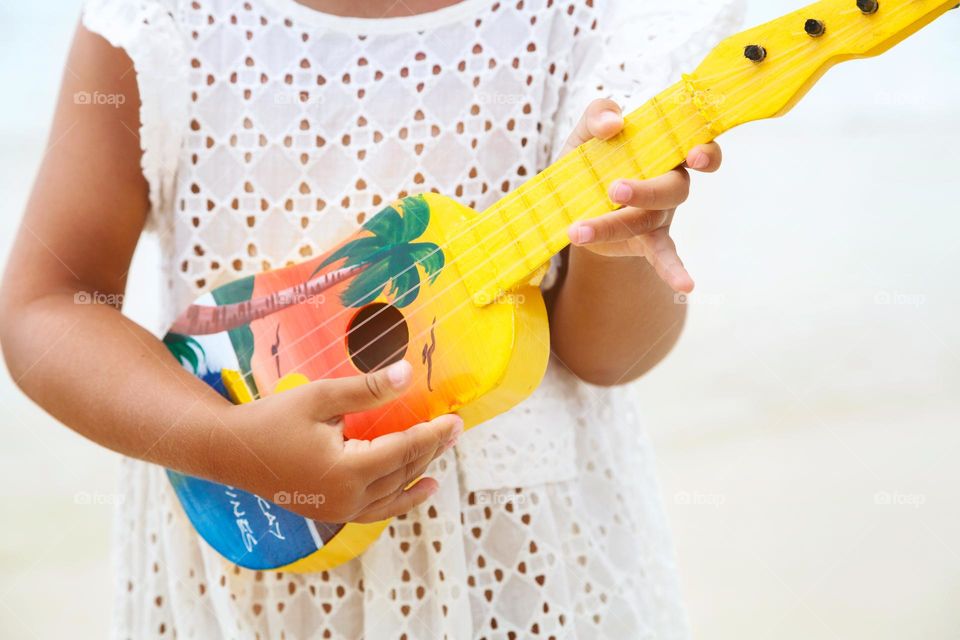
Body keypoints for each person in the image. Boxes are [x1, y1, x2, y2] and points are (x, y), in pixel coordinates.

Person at [0, 0, 743, 637]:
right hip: (249, 571)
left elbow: (607, 357)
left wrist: (615, 242)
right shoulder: (163, 18)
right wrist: (226, 444)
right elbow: (47, 303)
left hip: (527, 573)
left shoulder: (587, 16)